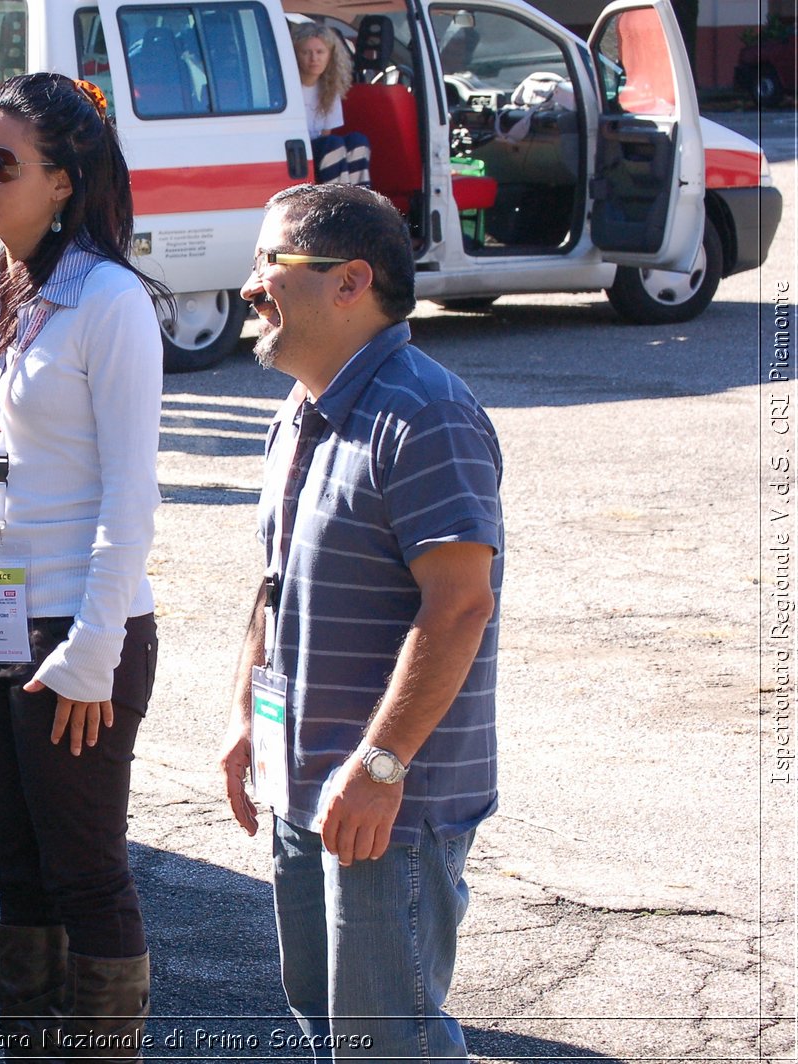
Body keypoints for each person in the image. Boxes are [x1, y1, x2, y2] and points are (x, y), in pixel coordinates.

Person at [0, 73, 166, 1062]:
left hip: (77, 626)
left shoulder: (108, 300)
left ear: (62, 179)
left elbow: (131, 494)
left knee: (85, 874)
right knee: (14, 866)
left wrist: (96, 646)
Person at [219, 183, 502, 1059]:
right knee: (326, 1020)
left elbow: (459, 608)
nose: (250, 286)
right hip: (302, 782)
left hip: (389, 800)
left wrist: (381, 767)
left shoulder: (425, 413)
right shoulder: (301, 411)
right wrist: (244, 725)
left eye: (271, 263)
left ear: (350, 283)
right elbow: (274, 587)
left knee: (391, 1040)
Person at [291, 22, 370, 186]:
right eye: (306, 52)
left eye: (320, 52)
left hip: (323, 147)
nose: (314, 58)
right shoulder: (288, 86)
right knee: (333, 144)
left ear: (330, 55)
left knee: (357, 140)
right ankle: (337, 201)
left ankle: (362, 199)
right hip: (296, 149)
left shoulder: (330, 88)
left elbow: (326, 132)